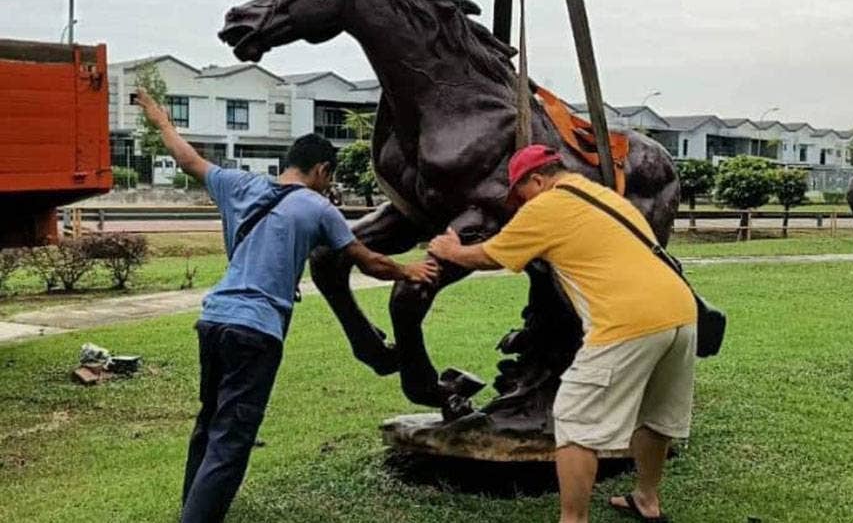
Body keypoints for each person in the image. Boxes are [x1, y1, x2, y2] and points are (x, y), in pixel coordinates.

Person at [133, 90, 438, 523]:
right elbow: (366, 260)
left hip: (214, 319)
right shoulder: (317, 207)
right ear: (321, 170)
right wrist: (409, 272)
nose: (328, 184)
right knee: (232, 436)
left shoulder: (238, 184)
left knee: (210, 420)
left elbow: (188, 160)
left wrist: (161, 120)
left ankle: (192, 505)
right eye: (328, 177)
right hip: (256, 331)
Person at [429, 144, 696, 523]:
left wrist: (451, 250)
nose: (519, 204)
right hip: (679, 312)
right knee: (654, 415)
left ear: (537, 180)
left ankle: (573, 520)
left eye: (519, 194)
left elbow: (490, 255)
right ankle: (646, 500)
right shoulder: (601, 194)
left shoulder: (547, 206)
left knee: (573, 421)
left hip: (626, 321)